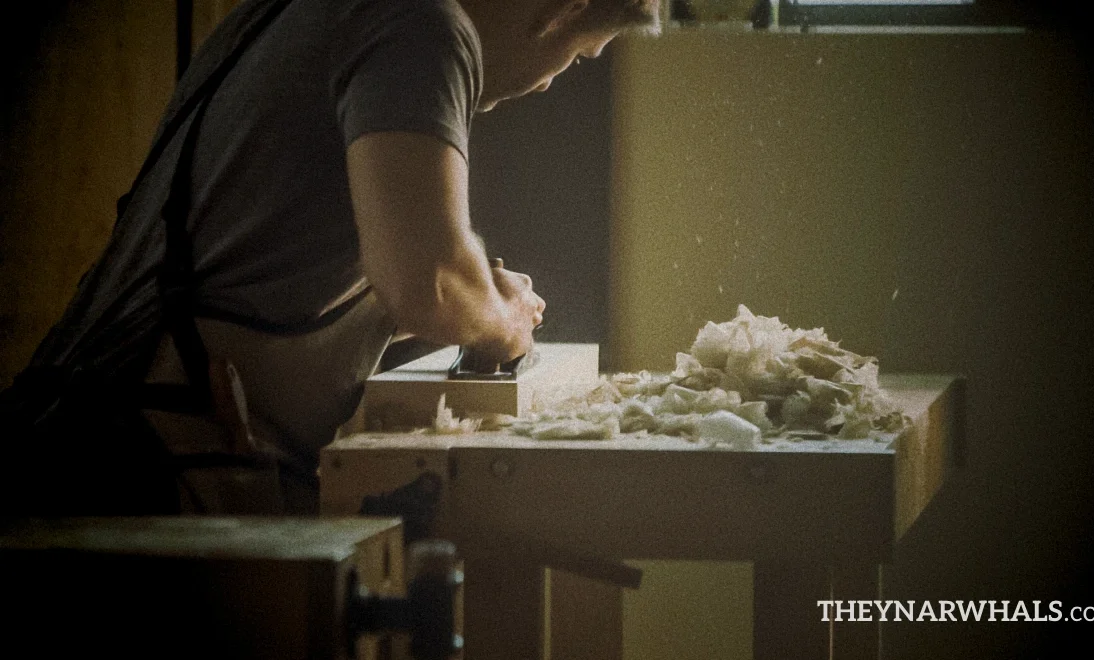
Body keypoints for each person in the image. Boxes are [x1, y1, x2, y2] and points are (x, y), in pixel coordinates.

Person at [0, 0, 659, 516]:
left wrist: (468, 289)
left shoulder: (303, 12)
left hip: (68, 444)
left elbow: (264, 273)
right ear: (562, 10)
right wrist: (502, 317)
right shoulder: (422, 25)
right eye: (578, 57)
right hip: (122, 475)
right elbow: (429, 284)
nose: (551, 84)